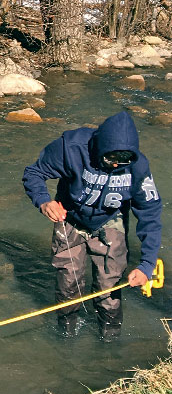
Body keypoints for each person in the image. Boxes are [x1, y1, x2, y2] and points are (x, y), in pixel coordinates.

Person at [23, 111, 162, 340]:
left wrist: (146, 265)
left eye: (123, 160)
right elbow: (34, 173)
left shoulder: (138, 167)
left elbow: (150, 212)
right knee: (69, 284)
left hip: (110, 219)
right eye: (110, 159)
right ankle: (66, 335)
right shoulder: (71, 148)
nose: (116, 164)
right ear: (99, 147)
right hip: (69, 218)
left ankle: (109, 340)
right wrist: (44, 202)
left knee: (110, 288)